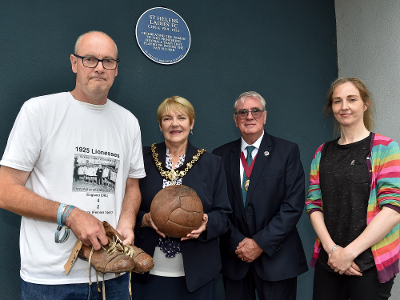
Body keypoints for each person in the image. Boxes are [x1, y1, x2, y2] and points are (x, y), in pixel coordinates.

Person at [0, 31, 146, 299]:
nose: (100, 67)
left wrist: (127, 222)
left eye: (108, 61)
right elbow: (4, 189)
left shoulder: (128, 122)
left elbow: (132, 185)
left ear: (116, 69)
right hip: (50, 281)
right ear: (74, 63)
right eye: (90, 59)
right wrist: (69, 214)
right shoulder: (39, 111)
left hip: (112, 276)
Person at [305, 77, 400, 300]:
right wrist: (334, 252)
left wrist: (349, 253)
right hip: (330, 260)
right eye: (337, 101)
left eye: (351, 99)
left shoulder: (386, 148)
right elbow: (313, 204)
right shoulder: (322, 152)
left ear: (365, 104)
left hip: (369, 263)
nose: (344, 106)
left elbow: (393, 208)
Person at [131, 96, 232, 300]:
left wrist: (206, 223)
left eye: (181, 117)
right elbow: (125, 205)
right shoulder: (141, 159)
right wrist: (144, 219)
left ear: (191, 123)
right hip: (146, 272)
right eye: (167, 118)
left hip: (197, 276)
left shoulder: (212, 163)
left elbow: (224, 215)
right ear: (160, 125)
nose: (175, 124)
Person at [213, 91, 308, 300]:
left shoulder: (287, 151)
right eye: (242, 112)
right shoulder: (219, 156)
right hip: (235, 259)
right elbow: (218, 207)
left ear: (264, 116)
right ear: (235, 119)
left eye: (255, 111)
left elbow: (292, 206)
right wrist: (237, 242)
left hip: (277, 259)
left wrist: (259, 244)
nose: (249, 116)